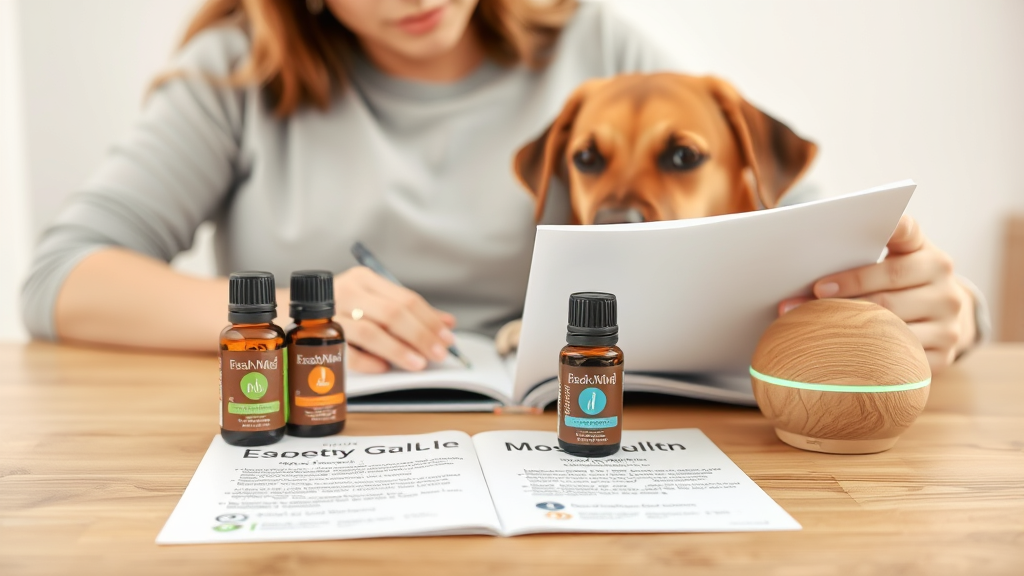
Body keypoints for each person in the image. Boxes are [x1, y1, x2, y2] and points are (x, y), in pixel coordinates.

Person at [22, 0, 984, 373]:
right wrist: (292, 307)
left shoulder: (596, 45)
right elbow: (60, 280)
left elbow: (781, 213)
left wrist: (940, 301)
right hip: (324, 428)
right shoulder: (237, 77)